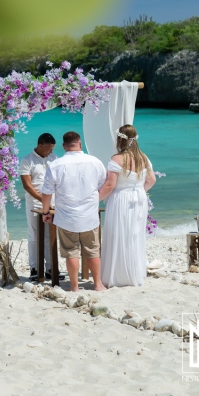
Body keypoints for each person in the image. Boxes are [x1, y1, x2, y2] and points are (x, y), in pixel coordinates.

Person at [40, 131, 106, 292]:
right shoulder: (95, 162)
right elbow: (103, 185)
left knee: (71, 252)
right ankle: (98, 284)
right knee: (93, 251)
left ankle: (74, 286)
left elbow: (47, 192)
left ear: (64, 146)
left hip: (66, 216)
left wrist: (45, 212)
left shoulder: (56, 165)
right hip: (89, 215)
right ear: (80, 144)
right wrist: (94, 201)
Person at [98, 124, 156, 287]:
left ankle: (118, 276)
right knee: (134, 235)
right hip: (139, 199)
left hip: (121, 200)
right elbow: (151, 180)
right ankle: (134, 274)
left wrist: (94, 200)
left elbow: (110, 185)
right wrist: (138, 191)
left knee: (119, 234)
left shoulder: (117, 159)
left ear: (119, 139)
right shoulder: (143, 158)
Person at [19, 133, 59, 282]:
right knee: (34, 235)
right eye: (48, 148)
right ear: (40, 145)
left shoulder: (54, 158)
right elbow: (27, 185)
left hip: (53, 201)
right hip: (35, 202)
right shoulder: (27, 160)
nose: (50, 151)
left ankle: (50, 268)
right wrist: (42, 200)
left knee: (50, 234)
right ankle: (34, 267)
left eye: (52, 149)